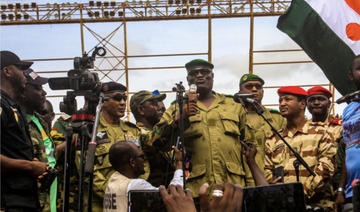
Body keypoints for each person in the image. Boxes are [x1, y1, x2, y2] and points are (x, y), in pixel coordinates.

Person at [156, 59, 249, 198]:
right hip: (196, 190)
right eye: (194, 73)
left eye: (204, 72)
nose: (199, 76)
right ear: (188, 79)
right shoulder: (177, 107)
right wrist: (179, 119)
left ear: (212, 76)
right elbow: (156, 142)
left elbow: (249, 148)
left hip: (233, 188)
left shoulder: (233, 106)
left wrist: (253, 186)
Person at [264, 86, 337, 210]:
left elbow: (326, 168)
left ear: (302, 104)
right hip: (284, 205)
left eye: (287, 99)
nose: (282, 104)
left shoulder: (321, 132)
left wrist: (300, 193)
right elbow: (267, 170)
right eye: (280, 101)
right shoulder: (273, 139)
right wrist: (277, 190)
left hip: (317, 205)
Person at [0, 50, 48, 211]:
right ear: (7, 71)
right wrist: (29, 166)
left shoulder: (13, 107)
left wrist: (31, 162)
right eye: (20, 69)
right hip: (7, 201)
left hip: (22, 199)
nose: (24, 75)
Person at [86, 82, 141, 211]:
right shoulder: (90, 130)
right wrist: (115, 191)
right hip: (101, 203)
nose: (122, 103)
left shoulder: (132, 130)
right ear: (103, 102)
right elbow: (86, 169)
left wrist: (135, 189)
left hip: (131, 200)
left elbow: (143, 163)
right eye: (117, 98)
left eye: (124, 98)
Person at [18, 68, 57, 212]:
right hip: (30, 199)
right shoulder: (15, 121)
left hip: (48, 194)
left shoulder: (39, 120)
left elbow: (48, 153)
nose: (44, 93)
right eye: (37, 88)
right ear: (22, 91)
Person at [103, 142, 183, 212]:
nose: (144, 160)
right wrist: (179, 164)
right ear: (132, 162)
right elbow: (173, 196)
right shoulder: (135, 185)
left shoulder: (113, 180)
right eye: (141, 156)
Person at [238, 73, 286, 186]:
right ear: (240, 92)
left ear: (263, 92)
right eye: (249, 86)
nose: (254, 90)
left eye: (258, 87)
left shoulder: (277, 118)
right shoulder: (235, 117)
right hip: (247, 180)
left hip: (274, 180)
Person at [130, 90, 173, 186]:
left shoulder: (160, 132)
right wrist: (173, 111)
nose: (161, 108)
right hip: (149, 193)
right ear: (141, 110)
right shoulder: (136, 133)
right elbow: (152, 140)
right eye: (154, 104)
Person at [306, 86, 344, 192]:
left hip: (337, 182)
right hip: (312, 184)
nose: (316, 102)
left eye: (321, 99)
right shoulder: (303, 129)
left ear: (329, 104)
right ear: (306, 104)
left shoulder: (341, 127)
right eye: (312, 100)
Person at [336, 55, 360, 212]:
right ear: (351, 75)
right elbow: (348, 150)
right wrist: (340, 189)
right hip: (352, 191)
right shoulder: (348, 110)